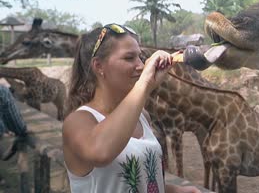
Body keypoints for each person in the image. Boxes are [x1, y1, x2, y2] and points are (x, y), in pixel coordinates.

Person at [62, 24, 201, 193]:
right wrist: (145, 83)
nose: (141, 66)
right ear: (98, 66)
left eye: (140, 57)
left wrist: (176, 191)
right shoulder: (77, 121)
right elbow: (101, 152)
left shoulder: (142, 116)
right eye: (129, 58)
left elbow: (140, 184)